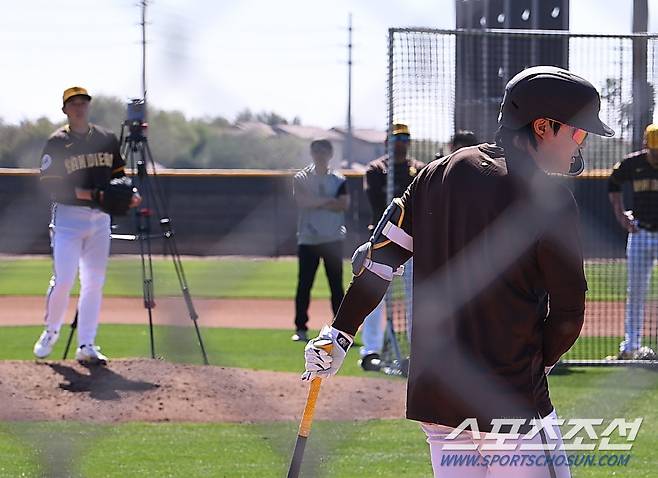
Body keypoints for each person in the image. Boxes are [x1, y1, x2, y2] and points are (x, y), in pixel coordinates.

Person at [303, 66, 614, 477]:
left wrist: (338, 334)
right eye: (577, 131)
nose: (582, 141)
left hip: (438, 399)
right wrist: (538, 364)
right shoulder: (549, 198)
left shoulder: (434, 174)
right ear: (543, 126)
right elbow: (569, 314)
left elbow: (378, 262)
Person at [34, 86, 141, 365]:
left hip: (100, 218)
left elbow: (119, 175)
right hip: (69, 218)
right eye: (73, 103)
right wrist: (93, 194)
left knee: (94, 283)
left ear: (89, 107)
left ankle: (87, 344)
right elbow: (51, 187)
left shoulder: (105, 139)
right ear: (65, 109)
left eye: (83, 102)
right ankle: (51, 331)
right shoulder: (57, 142)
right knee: (65, 279)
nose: (79, 107)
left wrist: (129, 194)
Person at [359, 123, 425, 370]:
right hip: (382, 240)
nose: (401, 143)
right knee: (374, 296)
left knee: (412, 298)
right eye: (396, 139)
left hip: (410, 242)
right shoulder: (377, 169)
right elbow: (378, 202)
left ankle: (414, 352)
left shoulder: (417, 168)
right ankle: (370, 351)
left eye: (405, 139)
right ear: (387, 142)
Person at [607, 123, 658, 360]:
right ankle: (630, 347)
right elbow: (613, 183)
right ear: (646, 146)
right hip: (640, 233)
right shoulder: (632, 163)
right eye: (655, 151)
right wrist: (619, 213)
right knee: (636, 292)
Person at [291, 138, 349, 342]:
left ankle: (341, 330)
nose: (320, 156)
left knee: (336, 286)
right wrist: (327, 201)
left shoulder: (339, 179)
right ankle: (300, 328)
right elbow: (302, 201)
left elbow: (342, 204)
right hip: (308, 239)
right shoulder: (301, 178)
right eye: (316, 152)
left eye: (324, 152)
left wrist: (316, 202)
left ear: (330, 154)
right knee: (304, 285)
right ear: (312, 154)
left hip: (333, 239)